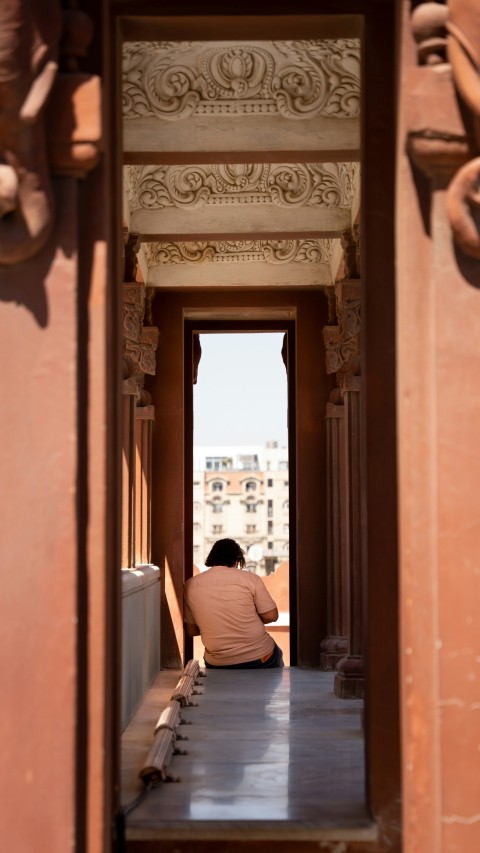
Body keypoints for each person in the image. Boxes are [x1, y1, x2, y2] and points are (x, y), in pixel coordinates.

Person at [183, 538, 284, 669]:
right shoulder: (251, 579)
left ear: (212, 559)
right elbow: (271, 616)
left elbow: (191, 630)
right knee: (277, 654)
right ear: (237, 561)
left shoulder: (190, 585)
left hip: (217, 662)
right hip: (259, 657)